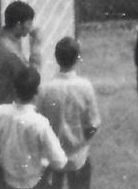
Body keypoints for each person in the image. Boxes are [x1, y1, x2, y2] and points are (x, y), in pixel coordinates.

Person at [0, 64, 65, 189]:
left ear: (14, 90)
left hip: (7, 179)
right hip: (34, 181)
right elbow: (60, 161)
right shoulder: (40, 123)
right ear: (36, 93)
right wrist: (44, 161)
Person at [34, 38, 100, 189]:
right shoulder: (85, 87)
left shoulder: (45, 89)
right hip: (78, 157)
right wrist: (81, 141)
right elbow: (93, 124)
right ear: (77, 58)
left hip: (53, 158)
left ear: (56, 58)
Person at [0, 2, 38, 109]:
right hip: (9, 109)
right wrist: (35, 45)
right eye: (29, 23)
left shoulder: (0, 34)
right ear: (18, 25)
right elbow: (32, 79)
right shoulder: (11, 54)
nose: (31, 27)